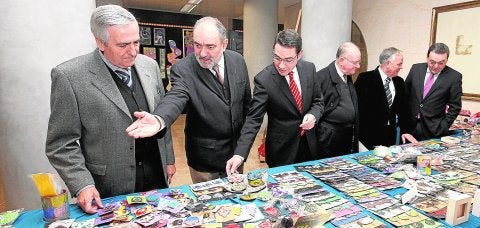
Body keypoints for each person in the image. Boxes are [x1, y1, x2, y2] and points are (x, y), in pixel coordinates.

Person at [45, 5, 175, 214]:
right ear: (100, 42)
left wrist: (169, 160)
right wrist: (83, 184)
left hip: (156, 178)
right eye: (123, 45)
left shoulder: (149, 66)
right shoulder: (69, 77)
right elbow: (61, 144)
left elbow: (160, 118)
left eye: (136, 42)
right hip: (108, 187)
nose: (133, 51)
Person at [126, 17, 252, 183]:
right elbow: (176, 96)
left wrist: (241, 150)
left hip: (236, 154)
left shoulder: (237, 61)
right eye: (197, 45)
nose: (202, 53)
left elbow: (246, 108)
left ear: (224, 44)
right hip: (204, 159)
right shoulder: (183, 69)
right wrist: (159, 119)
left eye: (210, 47)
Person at [226, 29, 324, 172]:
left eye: (288, 60)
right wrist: (239, 154)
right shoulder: (264, 80)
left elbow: (318, 101)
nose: (281, 65)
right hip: (282, 152)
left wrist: (313, 115)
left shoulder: (309, 69)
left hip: (309, 146)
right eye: (277, 58)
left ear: (299, 55)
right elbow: (253, 119)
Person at [355, 47, 417, 150]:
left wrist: (406, 131)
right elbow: (357, 110)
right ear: (388, 63)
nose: (401, 67)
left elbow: (404, 111)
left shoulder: (399, 82)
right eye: (399, 64)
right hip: (367, 138)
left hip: (389, 139)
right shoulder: (365, 79)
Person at [404, 43, 462, 140]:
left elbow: (455, 107)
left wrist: (443, 126)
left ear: (447, 60)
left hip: (433, 130)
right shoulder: (416, 69)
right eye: (432, 62)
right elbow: (405, 95)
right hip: (409, 127)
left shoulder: (454, 77)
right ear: (427, 58)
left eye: (441, 63)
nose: (436, 66)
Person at [316, 42, 361, 158]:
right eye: (355, 62)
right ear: (341, 61)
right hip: (328, 140)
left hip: (346, 136)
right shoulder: (321, 78)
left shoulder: (347, 75)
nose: (358, 66)